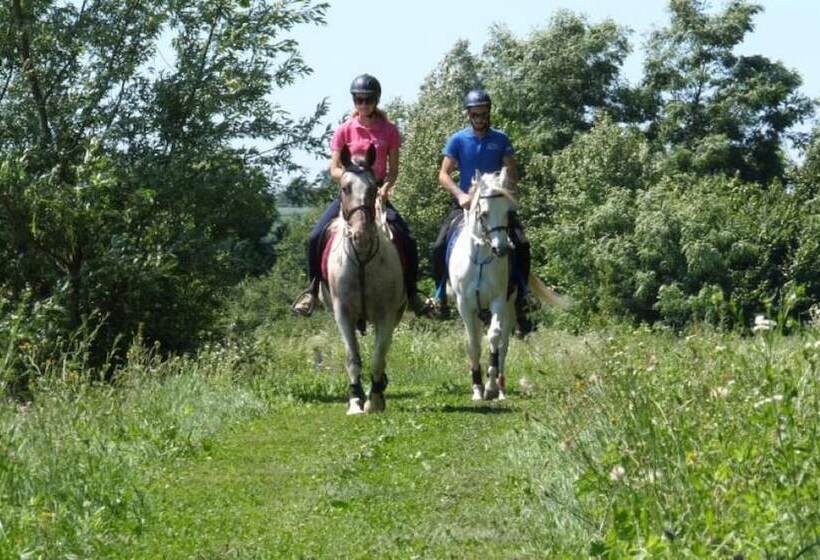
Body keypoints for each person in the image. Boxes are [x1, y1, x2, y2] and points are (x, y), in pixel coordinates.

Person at [292, 74, 428, 316]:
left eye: (367, 99)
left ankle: (412, 292)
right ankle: (312, 291)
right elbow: (333, 168)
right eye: (358, 99)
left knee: (408, 238)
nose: (362, 104)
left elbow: (393, 171)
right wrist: (349, 179)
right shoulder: (344, 130)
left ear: (376, 100)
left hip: (376, 194)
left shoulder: (390, 131)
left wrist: (385, 189)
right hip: (351, 195)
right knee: (315, 237)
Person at [430, 88, 533, 334]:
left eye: (483, 113)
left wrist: (504, 191)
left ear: (489, 113)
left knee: (522, 242)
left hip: (494, 203)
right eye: (475, 114)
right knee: (439, 244)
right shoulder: (458, 140)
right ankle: (439, 294)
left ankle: (523, 296)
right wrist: (461, 195)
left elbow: (512, 171)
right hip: (466, 203)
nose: (480, 118)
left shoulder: (501, 139)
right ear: (468, 115)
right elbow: (443, 174)